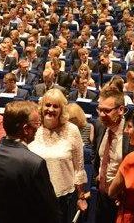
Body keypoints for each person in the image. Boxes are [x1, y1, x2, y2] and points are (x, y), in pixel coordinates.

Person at [0, 100, 59, 223]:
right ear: (26, 129)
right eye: (36, 124)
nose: (38, 128)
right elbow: (49, 208)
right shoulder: (35, 163)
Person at [29, 89, 88, 223]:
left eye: (56, 106)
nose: (50, 109)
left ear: (62, 110)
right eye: (47, 105)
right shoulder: (34, 127)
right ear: (41, 106)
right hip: (34, 195)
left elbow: (79, 166)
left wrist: (81, 196)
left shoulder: (72, 130)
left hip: (63, 198)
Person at [93, 85, 133, 223]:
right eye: (99, 110)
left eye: (107, 111)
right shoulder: (99, 126)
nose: (102, 115)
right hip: (101, 196)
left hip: (121, 200)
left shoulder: (131, 134)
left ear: (121, 110)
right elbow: (97, 158)